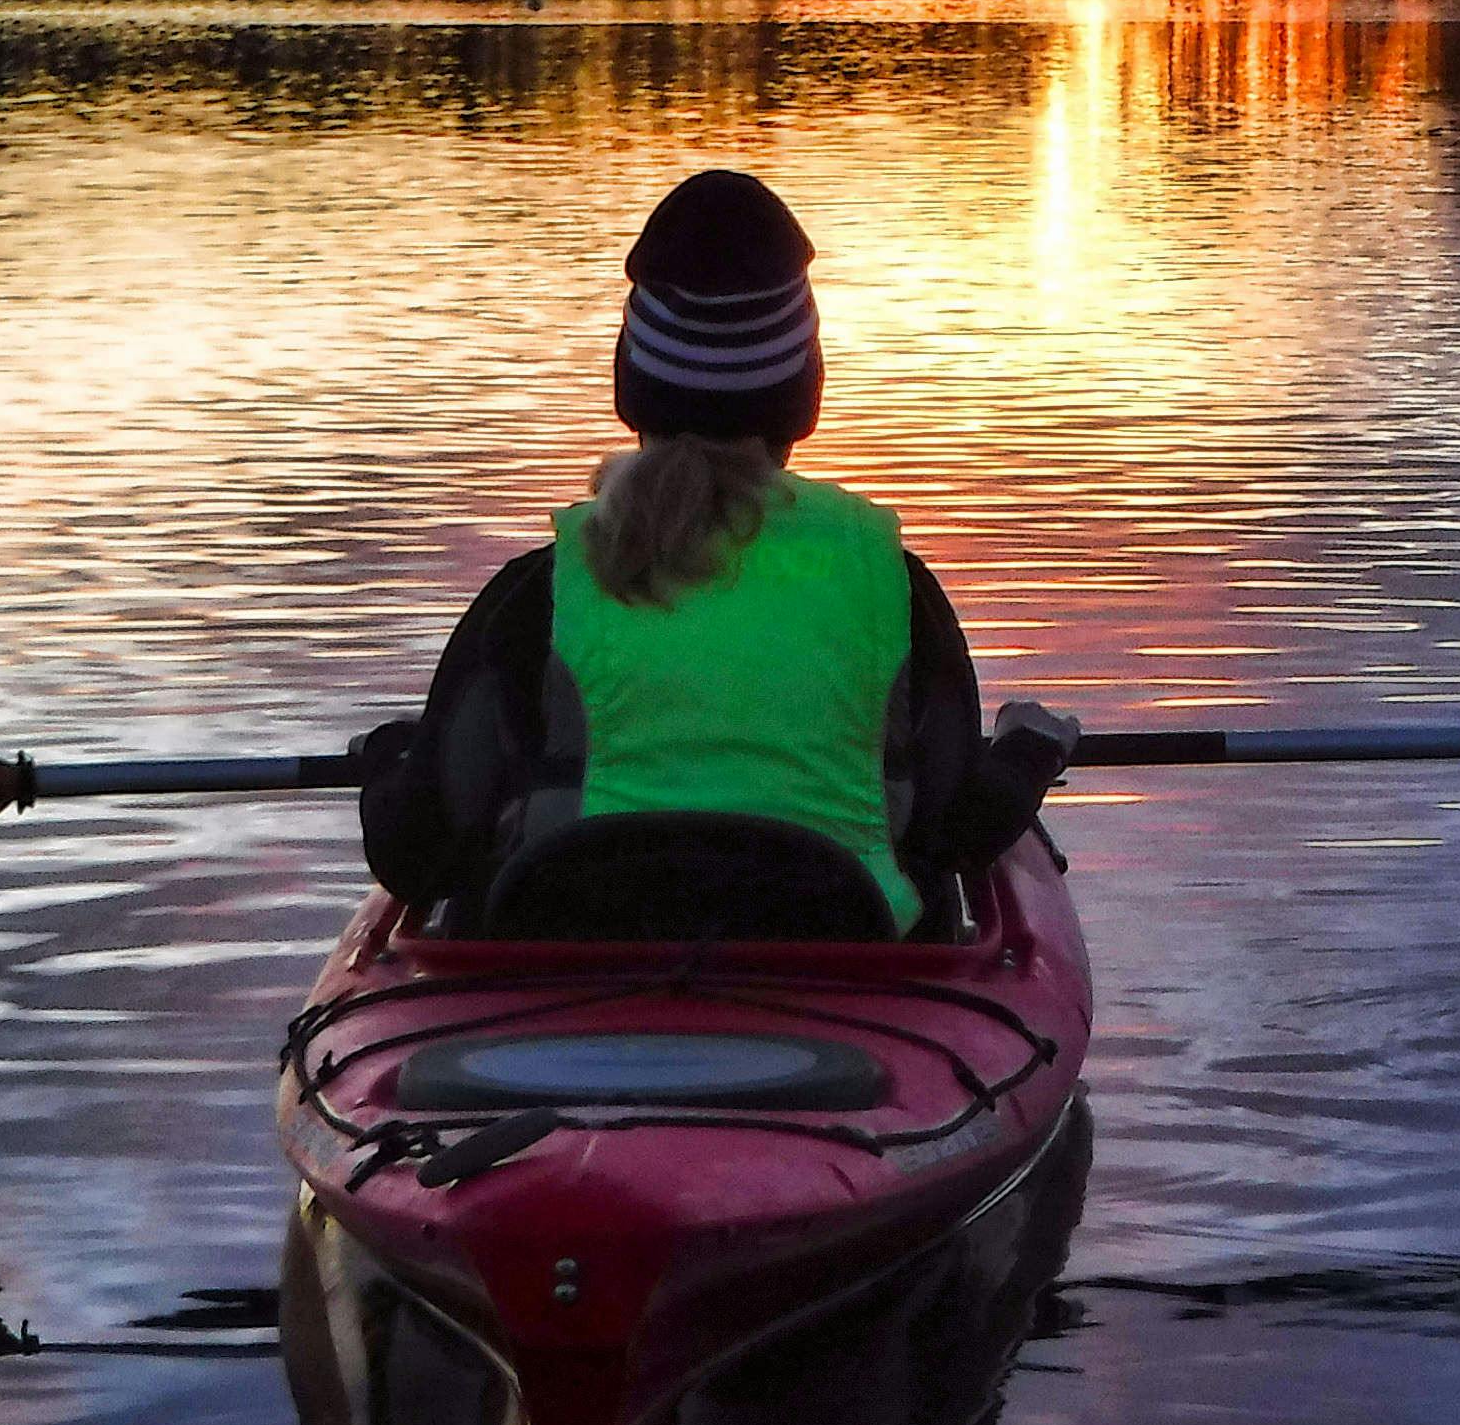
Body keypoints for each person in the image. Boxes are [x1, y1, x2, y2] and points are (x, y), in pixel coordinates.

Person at [357, 169, 1072, 939]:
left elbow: (413, 855)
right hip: (839, 969)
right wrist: (1028, 754)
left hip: (570, 969)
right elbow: (956, 828)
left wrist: (393, 762)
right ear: (807, 393)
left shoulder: (536, 597)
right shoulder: (887, 586)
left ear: (629, 384)